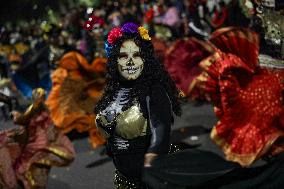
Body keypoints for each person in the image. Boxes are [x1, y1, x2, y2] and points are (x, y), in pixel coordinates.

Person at [94, 22, 181, 188]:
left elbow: (161, 133)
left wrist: (152, 159)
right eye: (123, 56)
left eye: (136, 55)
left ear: (145, 59)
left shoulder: (153, 91)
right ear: (115, 60)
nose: (130, 62)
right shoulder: (113, 91)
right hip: (125, 181)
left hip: (151, 182)